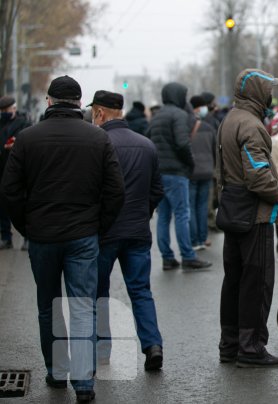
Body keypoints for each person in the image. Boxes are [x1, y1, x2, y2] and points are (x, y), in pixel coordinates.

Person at [0, 75, 125, 403]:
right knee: (83, 306)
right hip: (83, 235)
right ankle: (84, 383)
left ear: (50, 101)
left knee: (48, 305)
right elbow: (116, 191)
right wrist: (98, 226)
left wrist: (26, 226)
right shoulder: (97, 139)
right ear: (79, 102)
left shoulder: (27, 139)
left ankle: (56, 372)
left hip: (42, 236)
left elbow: (10, 191)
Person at [89, 90, 165, 371]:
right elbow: (157, 190)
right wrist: (142, 214)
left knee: (98, 292)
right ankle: (152, 345)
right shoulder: (146, 144)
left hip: (104, 233)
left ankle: (102, 348)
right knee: (141, 291)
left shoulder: (97, 143)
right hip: (137, 232)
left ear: (99, 113)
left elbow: (91, 191)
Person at [217, 69, 278, 368]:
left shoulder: (230, 119)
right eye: (268, 89)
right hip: (253, 215)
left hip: (233, 210)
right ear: (259, 92)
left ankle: (230, 344)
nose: (271, 94)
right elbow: (257, 176)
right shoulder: (252, 125)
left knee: (233, 280)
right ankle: (252, 347)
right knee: (256, 284)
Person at [146, 82, 211, 270]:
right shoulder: (179, 115)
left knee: (164, 216)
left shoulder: (157, 116)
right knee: (182, 214)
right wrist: (190, 163)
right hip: (176, 173)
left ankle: (167, 257)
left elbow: (147, 138)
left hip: (159, 173)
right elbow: (183, 143)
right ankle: (188, 256)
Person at [0, 95, 31, 250]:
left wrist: (15, 145)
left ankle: (27, 237)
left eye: (8, 109)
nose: (5, 112)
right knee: (2, 206)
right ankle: (6, 238)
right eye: (2, 110)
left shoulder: (23, 124)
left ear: (14, 108)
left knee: (22, 203)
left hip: (18, 169)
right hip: (2, 168)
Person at [188, 95, 216, 251]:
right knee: (203, 205)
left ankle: (194, 240)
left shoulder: (185, 126)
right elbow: (215, 150)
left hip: (191, 172)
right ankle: (202, 238)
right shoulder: (208, 127)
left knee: (191, 206)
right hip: (207, 171)